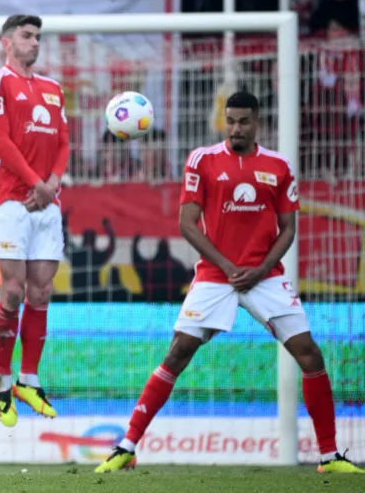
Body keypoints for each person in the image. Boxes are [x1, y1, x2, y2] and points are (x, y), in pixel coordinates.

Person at [96, 92, 363, 474]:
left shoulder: (279, 165)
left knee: (310, 354)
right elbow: (187, 223)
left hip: (265, 276)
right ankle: (127, 446)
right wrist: (227, 266)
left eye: (243, 121)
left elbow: (289, 229)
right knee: (177, 353)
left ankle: (328, 456)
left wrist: (259, 269)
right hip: (215, 276)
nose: (236, 128)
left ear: (258, 123)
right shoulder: (202, 160)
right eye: (230, 121)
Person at [0, 14, 70, 426]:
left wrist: (51, 184)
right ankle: (2, 381)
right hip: (12, 202)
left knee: (43, 291)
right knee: (13, 290)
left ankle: (27, 379)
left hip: (46, 203)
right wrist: (39, 183)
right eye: (26, 35)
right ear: (7, 42)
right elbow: (0, 141)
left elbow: (64, 142)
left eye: (37, 36)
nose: (34, 42)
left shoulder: (53, 89)